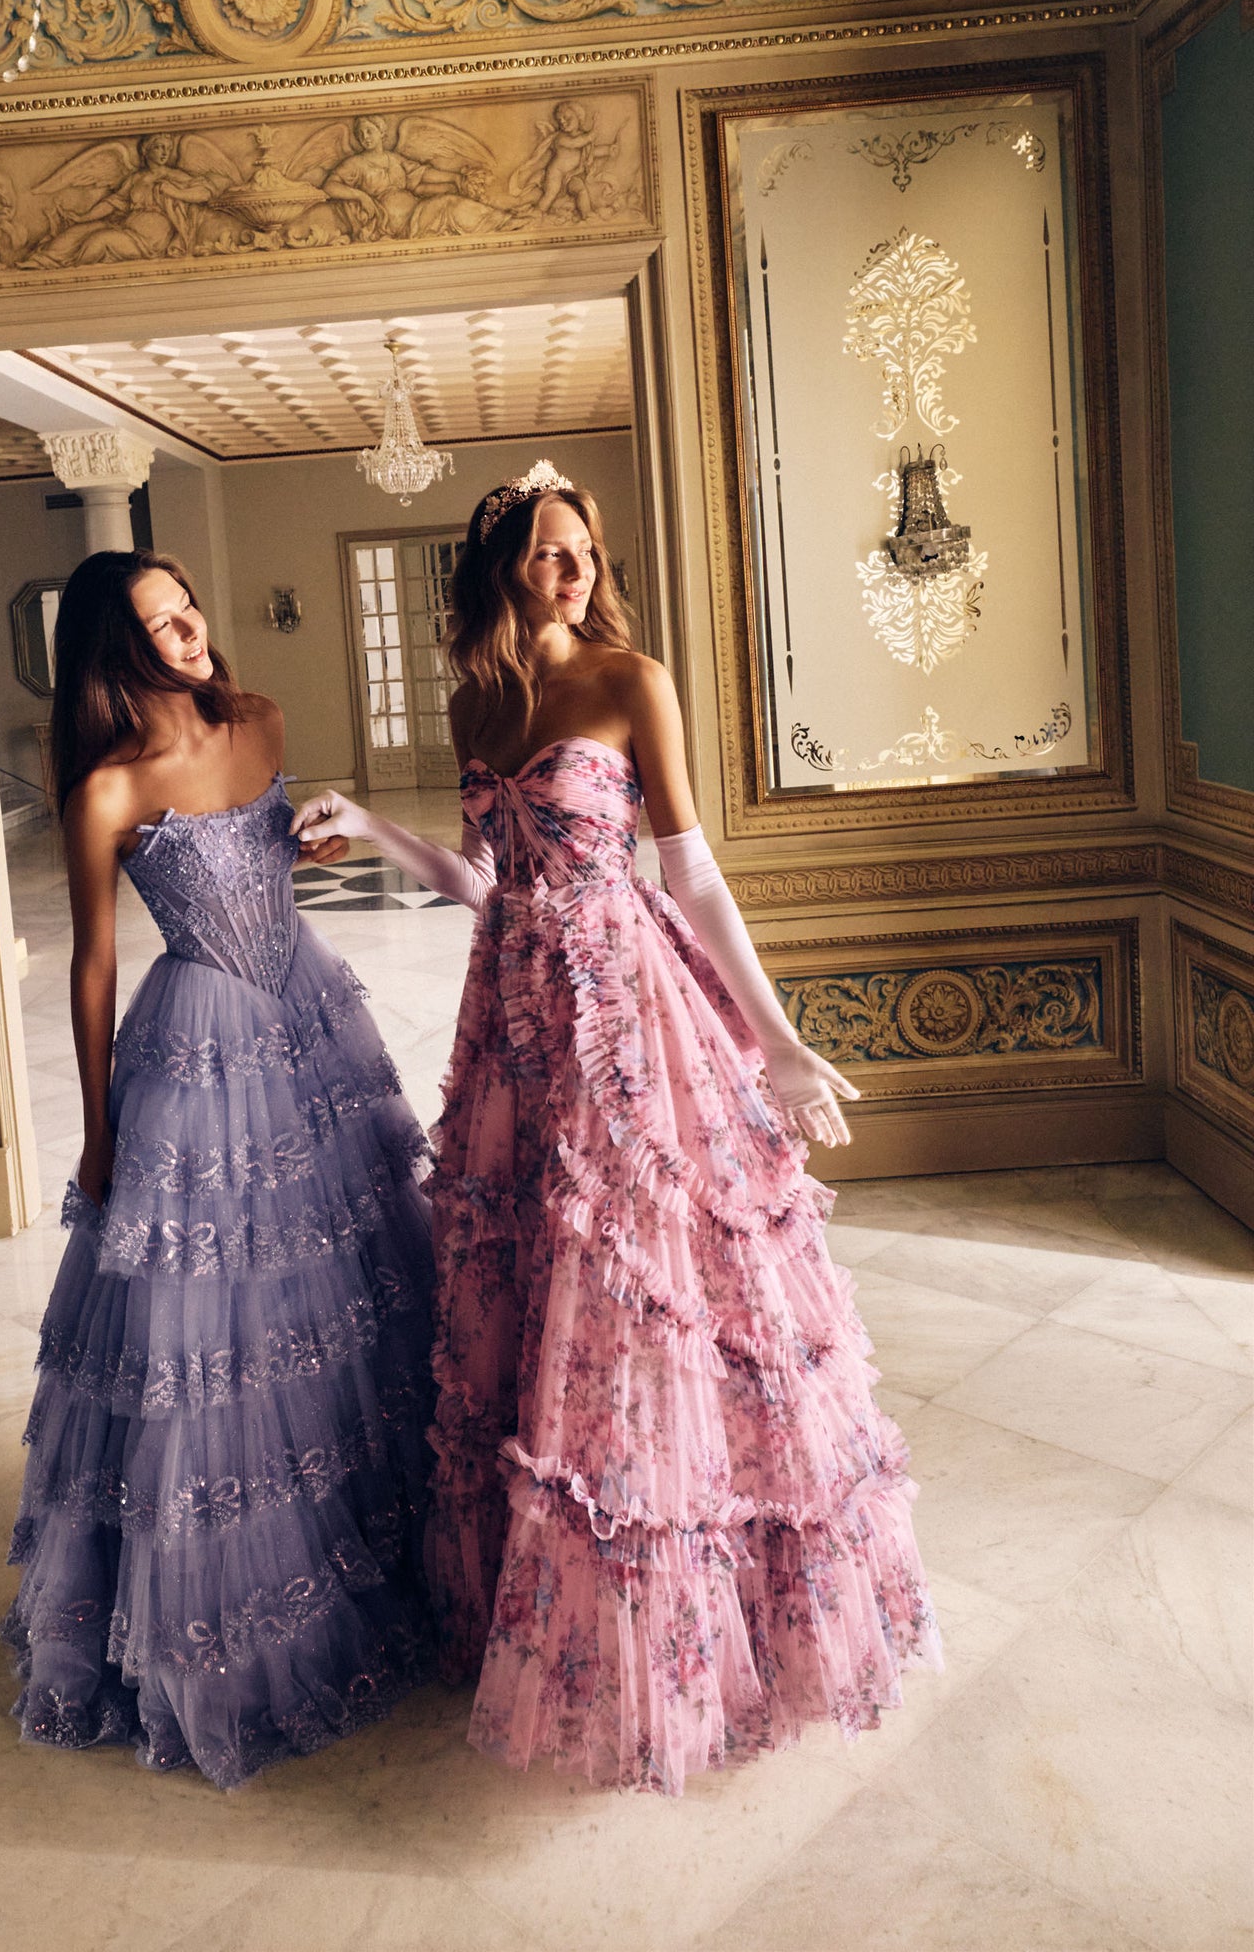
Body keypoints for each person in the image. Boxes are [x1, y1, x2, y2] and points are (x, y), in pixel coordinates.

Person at [292, 461, 940, 1794]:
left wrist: (774, 1036)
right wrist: (365, 826)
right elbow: (482, 880)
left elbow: (690, 870)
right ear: (499, 569)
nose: (568, 566)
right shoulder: (477, 697)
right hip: (512, 1013)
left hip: (627, 1007)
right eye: (543, 548)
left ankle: (693, 1611)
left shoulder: (633, 680)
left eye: (582, 547)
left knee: (642, 1282)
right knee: (529, 1278)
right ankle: (548, 1596)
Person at [2, 550, 437, 1788]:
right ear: (115, 651)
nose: (189, 628)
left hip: (306, 1008)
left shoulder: (260, 719)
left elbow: (269, 865)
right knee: (215, 1337)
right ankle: (228, 1610)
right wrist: (94, 1128)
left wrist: (297, 851)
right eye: (157, 622)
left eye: (186, 604)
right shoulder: (107, 790)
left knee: (347, 1288)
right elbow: (91, 968)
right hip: (197, 1044)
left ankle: (381, 1534)